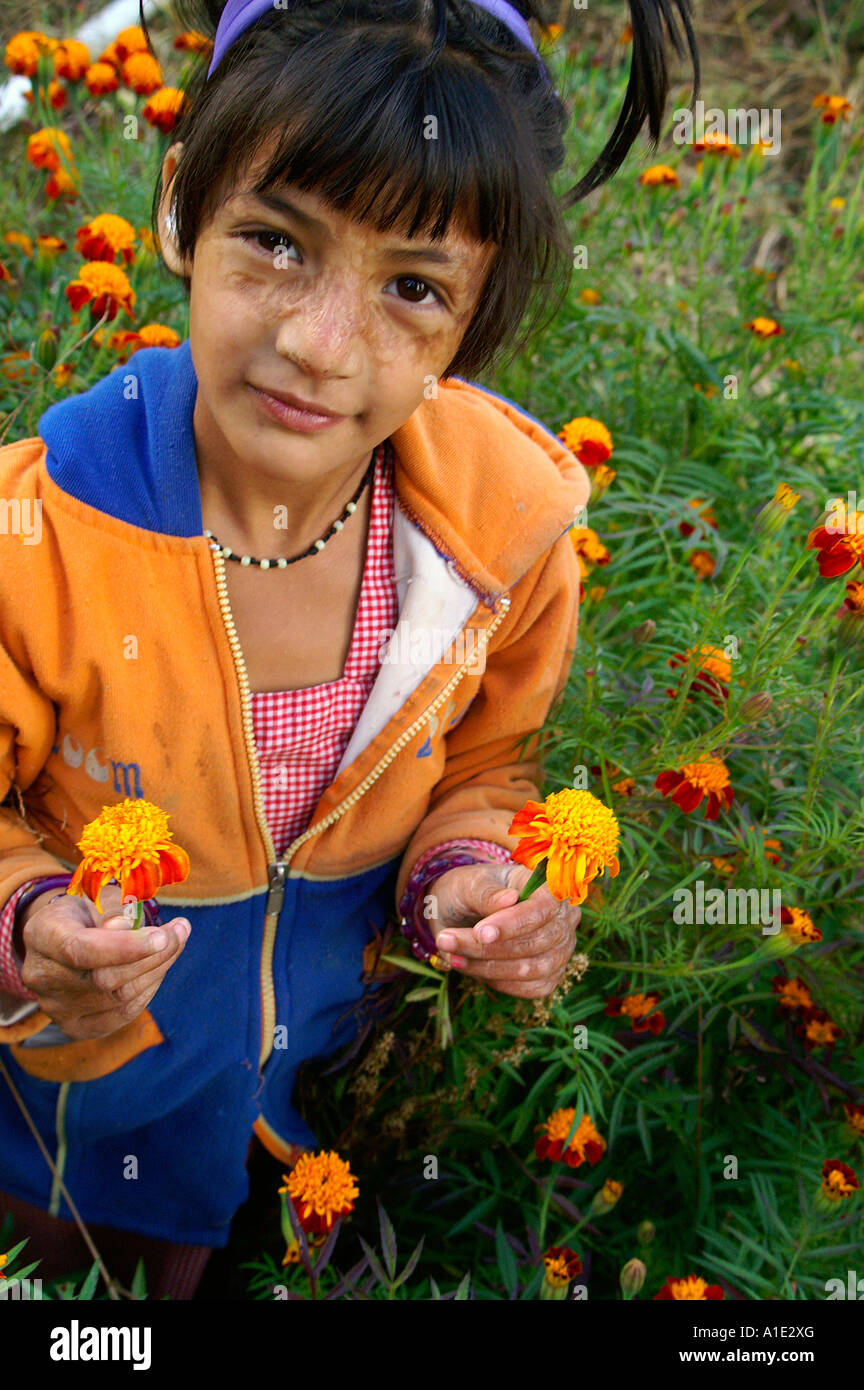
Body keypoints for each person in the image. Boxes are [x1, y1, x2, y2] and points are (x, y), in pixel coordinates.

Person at [0, 0, 698, 1298]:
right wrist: (27, 917)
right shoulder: (38, 540)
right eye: (275, 242)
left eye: (413, 289)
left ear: (476, 326)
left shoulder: (498, 544)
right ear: (177, 207)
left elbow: (490, 761)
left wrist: (474, 876)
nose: (320, 345)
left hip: (303, 1092)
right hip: (63, 1114)